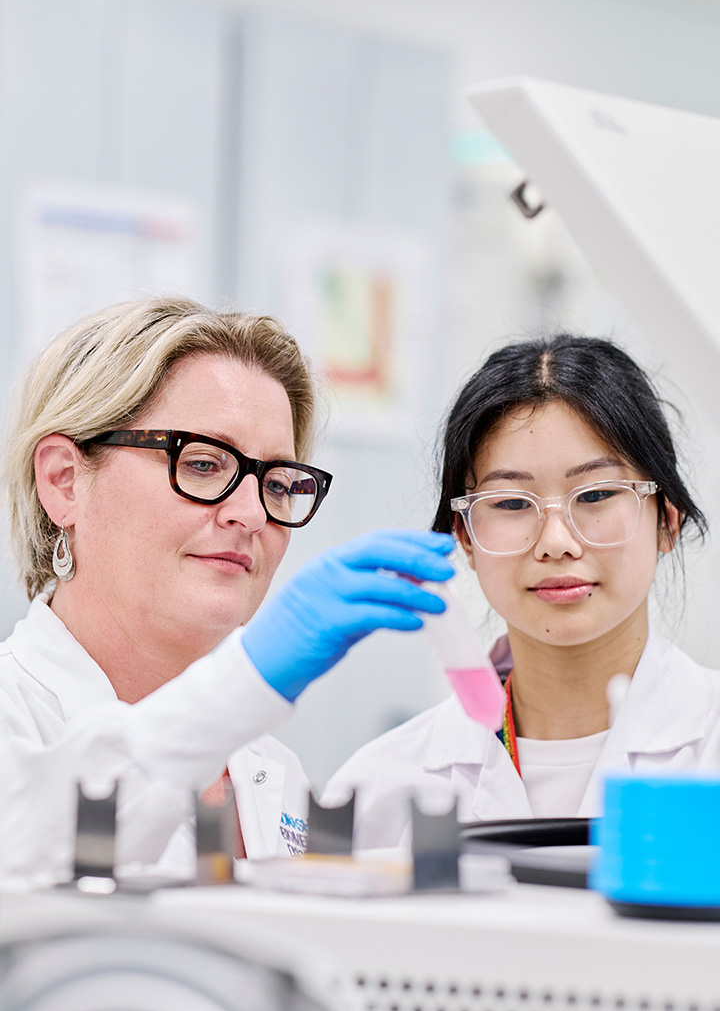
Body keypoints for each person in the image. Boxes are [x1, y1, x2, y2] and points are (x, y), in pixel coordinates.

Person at [0, 295, 454, 883]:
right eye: (204, 463)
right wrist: (249, 680)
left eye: (279, 482)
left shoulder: (272, 772)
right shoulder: (14, 712)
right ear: (64, 482)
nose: (253, 514)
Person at [324, 334, 720, 847]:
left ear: (667, 519)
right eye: (511, 503)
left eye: (597, 494)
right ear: (464, 536)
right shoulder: (382, 788)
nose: (556, 543)